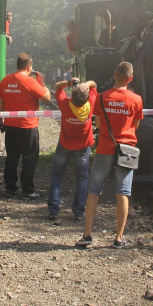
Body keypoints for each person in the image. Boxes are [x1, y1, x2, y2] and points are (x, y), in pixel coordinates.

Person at [77, 62, 142, 249]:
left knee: (94, 189)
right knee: (123, 192)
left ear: (115, 74)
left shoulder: (102, 97)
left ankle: (88, 235)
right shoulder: (137, 99)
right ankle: (118, 238)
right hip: (127, 150)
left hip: (105, 148)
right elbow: (135, 126)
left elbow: (97, 123)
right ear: (130, 78)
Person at [0, 53, 51, 198]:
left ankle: (10, 188)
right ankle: (27, 189)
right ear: (29, 66)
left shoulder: (5, 80)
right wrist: (42, 81)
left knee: (12, 157)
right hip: (28, 126)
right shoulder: (31, 81)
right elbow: (46, 97)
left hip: (10, 125)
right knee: (29, 158)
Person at [47, 78, 97, 221]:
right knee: (82, 178)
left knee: (57, 176)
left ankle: (53, 210)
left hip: (65, 145)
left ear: (72, 96)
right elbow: (94, 85)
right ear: (86, 98)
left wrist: (70, 82)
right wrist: (85, 85)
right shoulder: (90, 105)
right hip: (82, 147)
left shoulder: (64, 104)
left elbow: (57, 87)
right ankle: (79, 212)